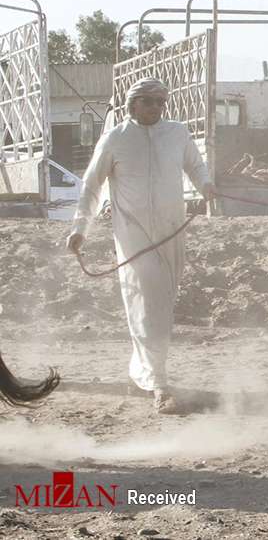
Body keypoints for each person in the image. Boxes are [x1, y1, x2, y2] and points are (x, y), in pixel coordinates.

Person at [66, 78, 215, 414]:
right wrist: (80, 228)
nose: (156, 108)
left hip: (172, 231)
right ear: (133, 104)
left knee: (160, 303)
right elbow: (92, 185)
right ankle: (159, 383)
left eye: (161, 102)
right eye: (148, 101)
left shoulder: (178, 133)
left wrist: (206, 185)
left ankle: (142, 371)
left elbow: (195, 165)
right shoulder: (115, 138)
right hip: (133, 234)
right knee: (147, 303)